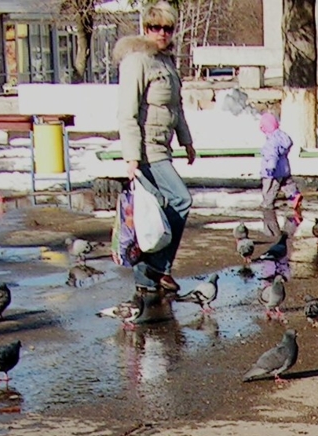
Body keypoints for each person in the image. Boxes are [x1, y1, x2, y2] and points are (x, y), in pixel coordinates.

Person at [114, 4, 196, 296]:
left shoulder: (166, 61)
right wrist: (132, 156)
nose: (161, 33)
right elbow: (127, 112)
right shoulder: (137, 61)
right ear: (145, 29)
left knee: (156, 211)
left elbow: (176, 106)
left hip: (163, 145)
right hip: (146, 149)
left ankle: (146, 280)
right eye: (155, 27)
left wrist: (186, 140)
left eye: (167, 28)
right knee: (180, 199)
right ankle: (158, 266)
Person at [258, 110, 300, 238]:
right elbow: (287, 145)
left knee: (270, 190)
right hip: (284, 168)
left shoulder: (271, 141)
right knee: (287, 183)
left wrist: (270, 168)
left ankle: (267, 206)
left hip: (273, 172)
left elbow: (272, 156)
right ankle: (294, 195)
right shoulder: (282, 136)